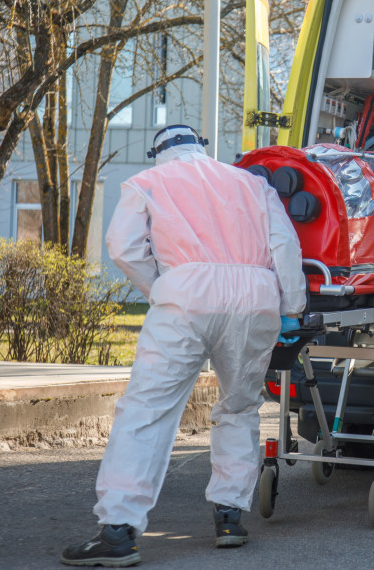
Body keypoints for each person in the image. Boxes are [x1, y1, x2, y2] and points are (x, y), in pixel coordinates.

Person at [61, 125, 306, 566]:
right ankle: (229, 517)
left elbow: (123, 248)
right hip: (255, 299)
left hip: (186, 296)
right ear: (202, 146)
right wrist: (292, 307)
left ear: (158, 152)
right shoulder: (251, 183)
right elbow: (285, 246)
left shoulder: (147, 183)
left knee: (147, 410)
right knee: (239, 406)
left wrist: (161, 286)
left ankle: (118, 530)